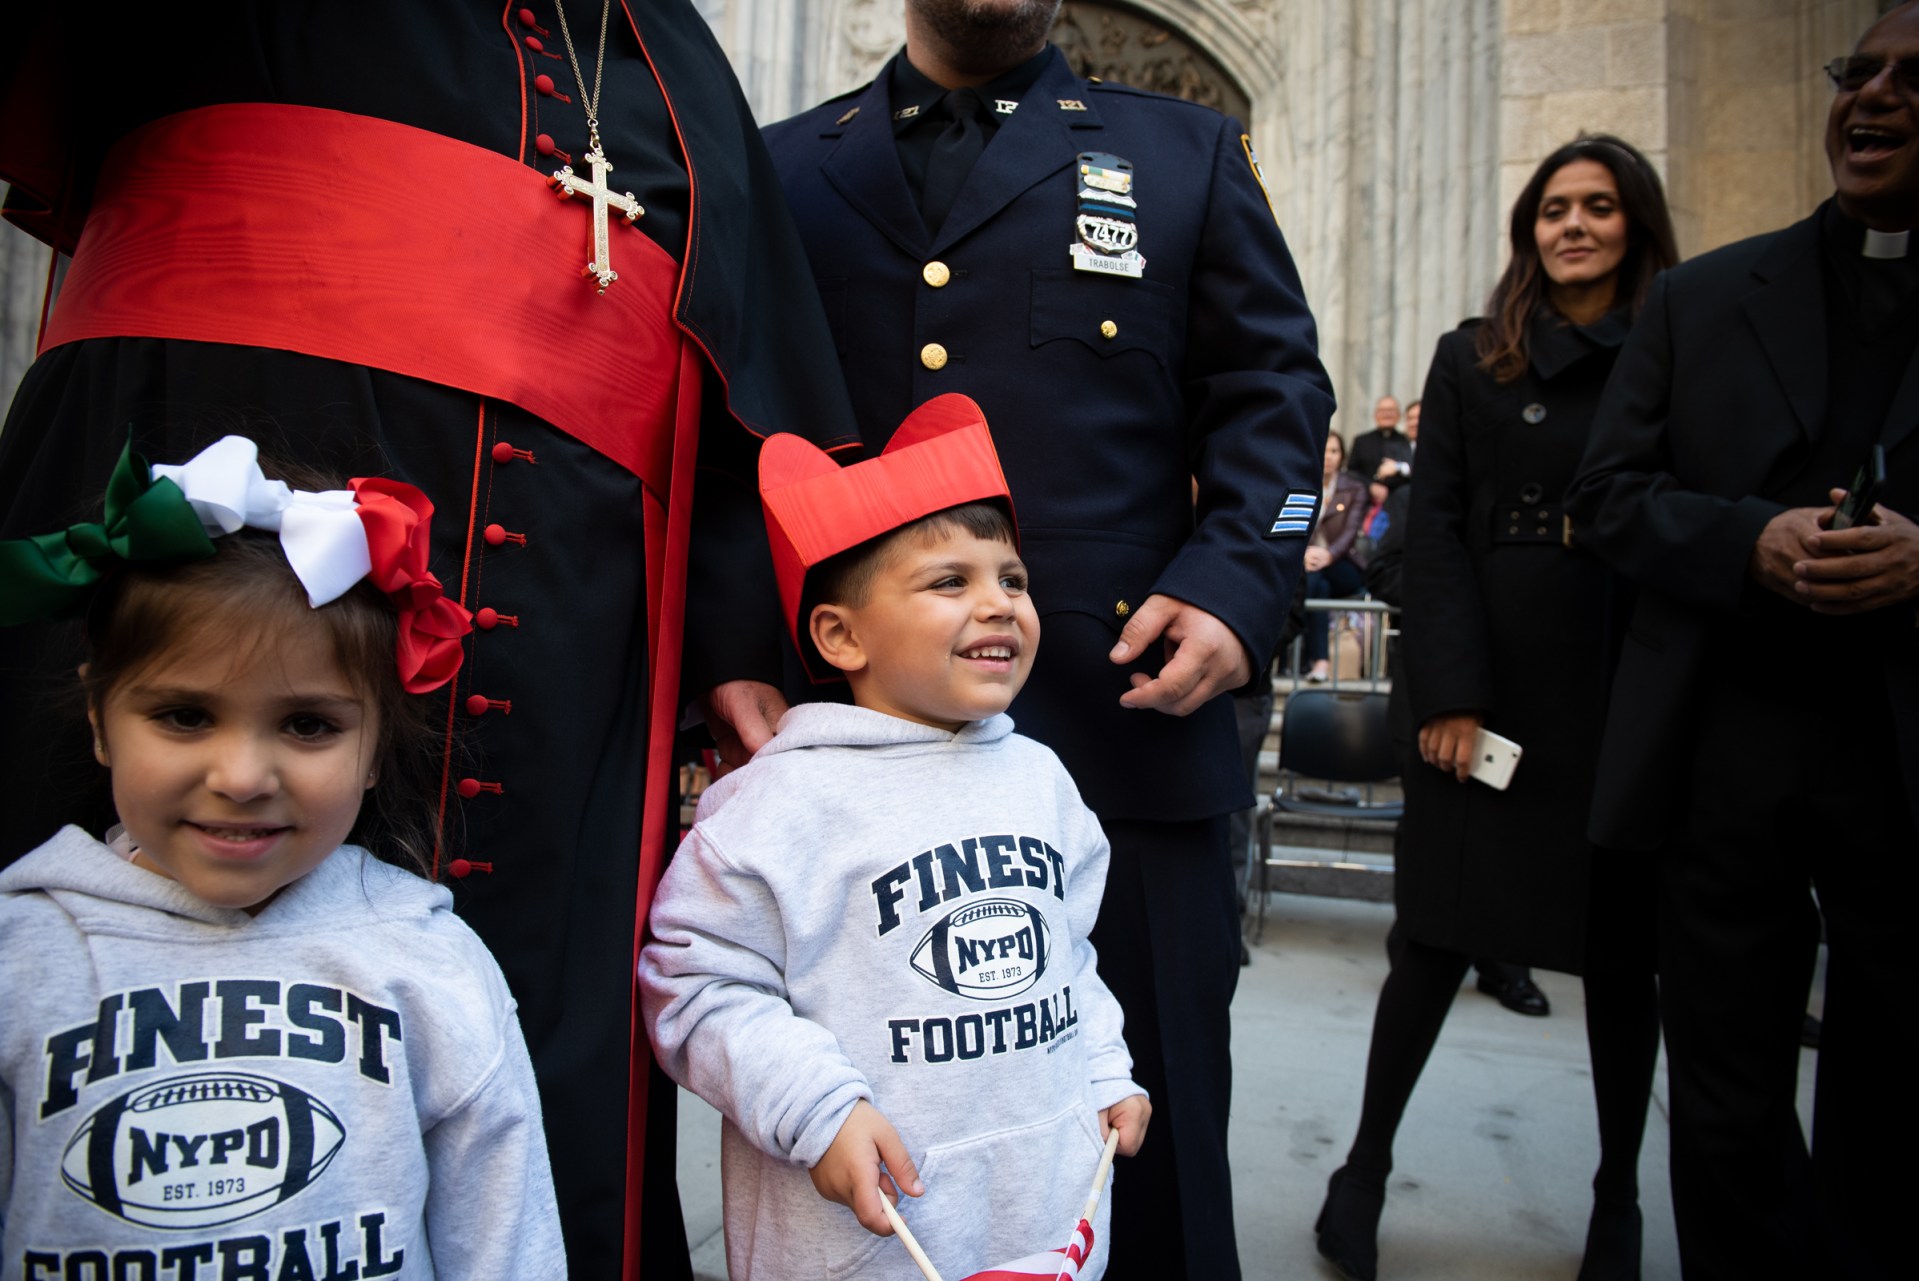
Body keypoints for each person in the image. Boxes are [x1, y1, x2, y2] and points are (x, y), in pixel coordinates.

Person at [0, 5, 857, 1274]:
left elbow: (731, 390)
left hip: (569, 649)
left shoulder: (663, 47)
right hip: (209, 499)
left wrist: (739, 637)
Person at [762, 4, 1335, 1273]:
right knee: (868, 1165)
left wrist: (1241, 584)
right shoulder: (785, 166)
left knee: (1156, 1153)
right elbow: (732, 417)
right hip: (851, 779)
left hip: (1125, 734)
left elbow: (1275, 391)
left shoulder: (1184, 153)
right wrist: (729, 654)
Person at [0, 437, 565, 1276]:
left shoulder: (428, 962)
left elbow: (505, 1242)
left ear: (376, 747)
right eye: (185, 716)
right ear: (98, 718)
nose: (240, 777)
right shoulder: (20, 960)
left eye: (308, 726)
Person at [1566, 8, 1919, 1276]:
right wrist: (1745, 542)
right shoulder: (1705, 299)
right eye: (1856, 71)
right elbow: (1606, 497)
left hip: (1904, 768)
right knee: (1722, 1100)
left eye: (1909, 79)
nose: (1871, 97)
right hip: (1723, 751)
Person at [642, 397, 1148, 1280]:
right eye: (949, 582)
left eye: (1012, 580)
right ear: (841, 635)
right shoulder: (779, 801)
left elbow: (1068, 954)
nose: (997, 604)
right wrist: (819, 1108)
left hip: (1044, 1215)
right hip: (865, 1239)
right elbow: (695, 983)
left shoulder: (1043, 780)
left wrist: (1104, 1067)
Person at [1316, 133, 1679, 1281]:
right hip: (1488, 687)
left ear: (1635, 226)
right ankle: (1360, 1172)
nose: (1571, 226)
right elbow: (1433, 535)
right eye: (1552, 208)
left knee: (1622, 963)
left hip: (1623, 678)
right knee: (1430, 939)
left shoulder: (1676, 350)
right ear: (1527, 228)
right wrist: (1452, 695)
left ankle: (1615, 1202)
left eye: (1599, 208)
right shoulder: (1472, 359)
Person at [1304, 431, 1370, 681]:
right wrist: (1303, 556)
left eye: (1334, 451)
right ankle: (1320, 662)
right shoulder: (1303, 482)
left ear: (1342, 456)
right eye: (1323, 450)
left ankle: (1297, 654)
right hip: (1309, 566)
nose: (1328, 457)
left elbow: (1350, 533)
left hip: (1344, 565)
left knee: (1315, 579)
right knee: (1318, 585)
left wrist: (1328, 555)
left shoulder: (1354, 488)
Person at [1347, 395, 1415, 490]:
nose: (1387, 414)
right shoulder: (1361, 441)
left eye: (1391, 410)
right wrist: (1371, 486)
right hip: (1367, 496)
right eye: (1382, 411)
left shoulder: (1406, 441)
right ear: (1375, 415)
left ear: (1399, 415)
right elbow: (1351, 472)